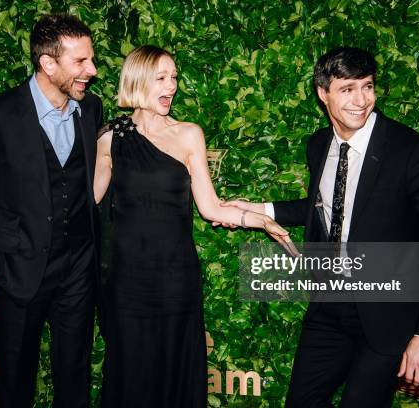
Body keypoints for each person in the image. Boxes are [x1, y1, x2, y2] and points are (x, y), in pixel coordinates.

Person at [222, 47, 419, 407]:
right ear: (323, 93)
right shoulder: (319, 145)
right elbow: (326, 207)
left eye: (367, 86)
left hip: (387, 314)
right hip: (329, 307)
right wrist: (261, 209)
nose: (361, 100)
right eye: (347, 89)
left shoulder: (411, 151)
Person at [93, 45, 294, 407]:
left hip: (175, 278)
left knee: (175, 370)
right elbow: (86, 204)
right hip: (127, 281)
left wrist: (262, 220)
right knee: (130, 373)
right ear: (138, 81)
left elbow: (211, 207)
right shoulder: (111, 138)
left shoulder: (188, 135)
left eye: (174, 77)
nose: (171, 86)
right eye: (161, 78)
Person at [0, 14, 102, 408]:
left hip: (78, 269)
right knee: (16, 381)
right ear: (47, 64)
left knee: (74, 378)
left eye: (91, 59)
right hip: (19, 269)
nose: (91, 70)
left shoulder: (91, 110)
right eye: (81, 62)